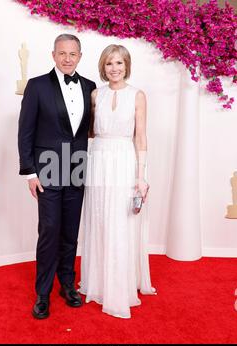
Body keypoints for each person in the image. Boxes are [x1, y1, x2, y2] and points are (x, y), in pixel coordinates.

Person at [18, 34, 96, 319]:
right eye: (61, 53)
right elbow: (25, 130)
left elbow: (89, 130)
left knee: (70, 232)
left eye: (72, 54)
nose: (67, 58)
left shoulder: (90, 87)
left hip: (77, 166)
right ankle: (42, 293)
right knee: (49, 231)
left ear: (80, 56)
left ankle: (67, 284)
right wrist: (29, 171)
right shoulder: (37, 86)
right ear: (53, 55)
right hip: (47, 169)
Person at [79, 44, 156, 319]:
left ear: (127, 66)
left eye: (119, 63)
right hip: (98, 160)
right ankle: (98, 284)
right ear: (103, 66)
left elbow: (141, 137)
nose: (114, 68)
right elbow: (85, 134)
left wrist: (141, 175)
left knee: (121, 222)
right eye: (110, 63)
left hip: (124, 160)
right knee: (100, 220)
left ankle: (120, 288)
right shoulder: (95, 95)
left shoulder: (138, 95)